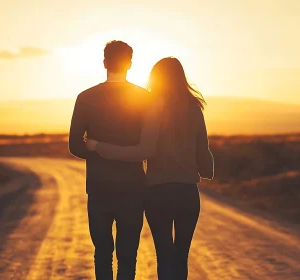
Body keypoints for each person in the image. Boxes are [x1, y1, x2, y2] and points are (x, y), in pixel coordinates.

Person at [86, 57, 214, 280]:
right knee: (180, 256)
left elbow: (142, 151)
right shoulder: (194, 108)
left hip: (157, 193)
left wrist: (99, 146)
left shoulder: (153, 107)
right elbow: (204, 157)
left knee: (164, 255)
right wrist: (204, 166)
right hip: (187, 193)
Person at [69, 40, 151, 280]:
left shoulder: (85, 97)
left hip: (99, 187)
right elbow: (150, 144)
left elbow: (75, 145)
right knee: (128, 254)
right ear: (130, 64)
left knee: (102, 252)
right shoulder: (143, 97)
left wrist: (96, 150)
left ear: (104, 63)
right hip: (133, 187)